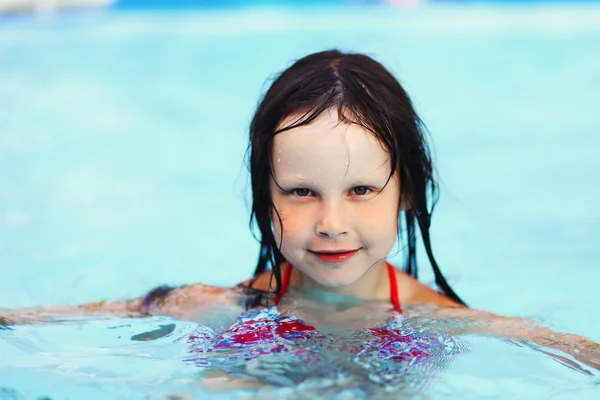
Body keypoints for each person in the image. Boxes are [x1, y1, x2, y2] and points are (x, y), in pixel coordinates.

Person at [1, 50, 598, 378]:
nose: (332, 221)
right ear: (266, 199)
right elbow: (113, 312)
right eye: (302, 192)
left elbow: (550, 343)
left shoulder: (435, 318)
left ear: (408, 192)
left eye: (361, 190)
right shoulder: (233, 303)